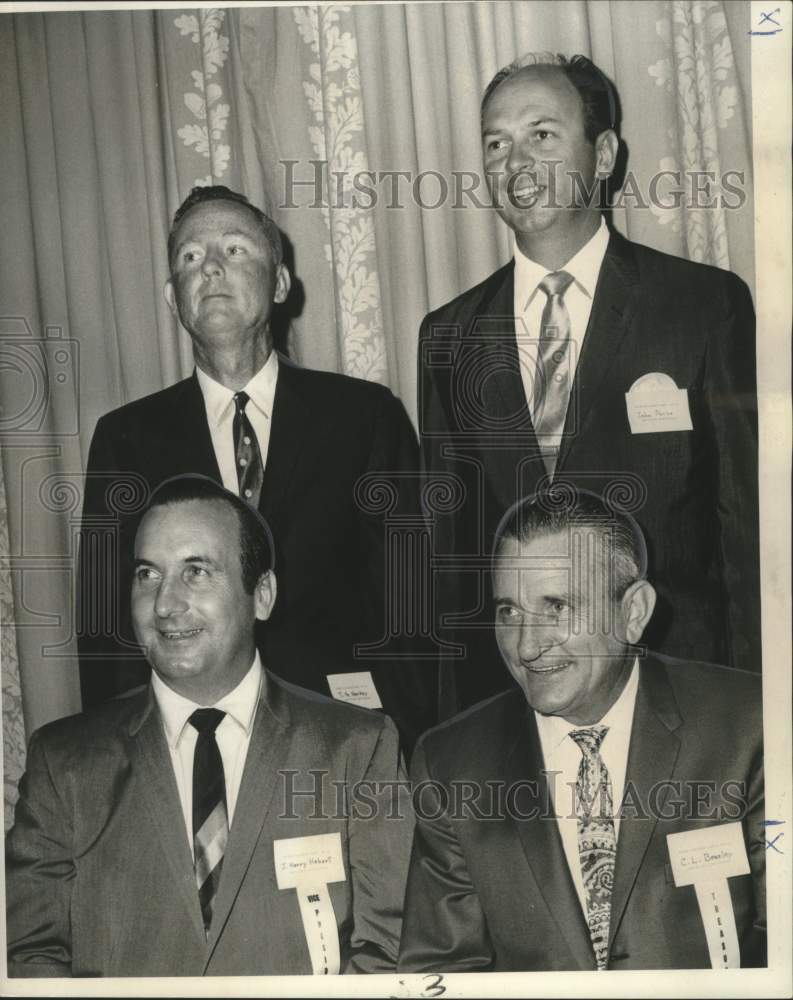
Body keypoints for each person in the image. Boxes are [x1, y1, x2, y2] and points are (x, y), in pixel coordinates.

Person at [418, 52, 760, 715]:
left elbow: (747, 532)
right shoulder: (448, 335)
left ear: (602, 155)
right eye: (496, 143)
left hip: (686, 690)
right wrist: (457, 723)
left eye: (541, 135)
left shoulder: (700, 305)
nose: (515, 163)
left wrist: (754, 704)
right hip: (521, 700)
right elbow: (451, 557)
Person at [7, 475, 414, 977]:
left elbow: (389, 953)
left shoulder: (357, 748)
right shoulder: (63, 762)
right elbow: (31, 958)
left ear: (261, 594)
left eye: (196, 571)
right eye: (147, 575)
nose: (164, 604)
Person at [78, 184, 436, 753]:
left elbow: (410, 605)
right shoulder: (126, 439)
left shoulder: (365, 417)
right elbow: (105, 628)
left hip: (340, 740)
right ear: (174, 298)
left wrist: (407, 746)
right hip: (188, 744)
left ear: (281, 283)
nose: (212, 268)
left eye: (235, 249)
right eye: (191, 257)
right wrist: (113, 767)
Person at [397, 488, 765, 972]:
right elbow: (441, 972)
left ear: (633, 612)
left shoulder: (749, 724)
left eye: (558, 607)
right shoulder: (451, 762)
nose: (527, 646)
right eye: (509, 611)